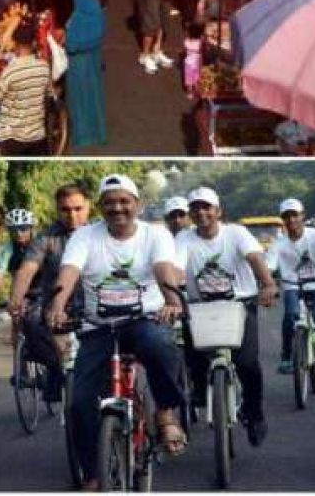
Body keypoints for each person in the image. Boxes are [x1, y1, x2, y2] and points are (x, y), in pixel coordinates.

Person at [48, 174, 187, 491]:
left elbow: (164, 270)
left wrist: (171, 301)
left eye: (124, 201)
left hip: (143, 319)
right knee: (79, 402)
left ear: (137, 204)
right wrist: (57, 306)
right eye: (110, 203)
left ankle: (165, 413)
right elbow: (68, 273)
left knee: (162, 347)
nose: (117, 208)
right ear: (100, 207)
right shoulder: (84, 236)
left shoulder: (156, 235)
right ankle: (92, 473)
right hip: (98, 327)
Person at [174, 186, 278, 446]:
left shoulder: (236, 233)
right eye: (195, 208)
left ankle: (254, 412)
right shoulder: (184, 239)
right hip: (200, 307)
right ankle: (199, 389)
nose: (201, 212)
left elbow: (254, 257)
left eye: (206, 207)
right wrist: (171, 293)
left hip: (239, 304)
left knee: (247, 364)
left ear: (218, 211)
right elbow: (174, 268)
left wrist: (267, 284)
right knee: (193, 353)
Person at [9, 184, 93, 403]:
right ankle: (55, 367)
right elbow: (27, 270)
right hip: (55, 307)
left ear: (89, 208)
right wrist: (16, 300)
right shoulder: (45, 238)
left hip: (95, 304)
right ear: (57, 210)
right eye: (65, 209)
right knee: (31, 320)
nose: (72, 215)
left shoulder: (100, 234)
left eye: (78, 208)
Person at [273, 198, 315, 375]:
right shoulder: (278, 243)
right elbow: (268, 267)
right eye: (286, 216)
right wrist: (268, 284)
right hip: (293, 285)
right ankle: (287, 356)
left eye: (294, 215)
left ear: (302, 216)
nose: (291, 220)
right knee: (290, 315)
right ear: (282, 219)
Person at [0, 19, 51, 156]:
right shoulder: (44, 68)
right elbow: (49, 93)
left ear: (15, 44)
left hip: (12, 138)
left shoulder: (11, 72)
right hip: (37, 137)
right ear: (34, 43)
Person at [64, 0, 107, 148]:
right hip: (93, 63)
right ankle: (98, 132)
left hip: (77, 65)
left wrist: (70, 43)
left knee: (79, 101)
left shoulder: (79, 13)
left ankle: (82, 136)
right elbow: (98, 35)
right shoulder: (95, 9)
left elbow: (73, 42)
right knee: (94, 98)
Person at [0, 208, 37, 315]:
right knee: (16, 318)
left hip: (44, 288)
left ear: (31, 228)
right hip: (19, 289)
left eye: (23, 228)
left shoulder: (41, 243)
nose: (19, 233)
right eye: (14, 230)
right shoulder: (6, 249)